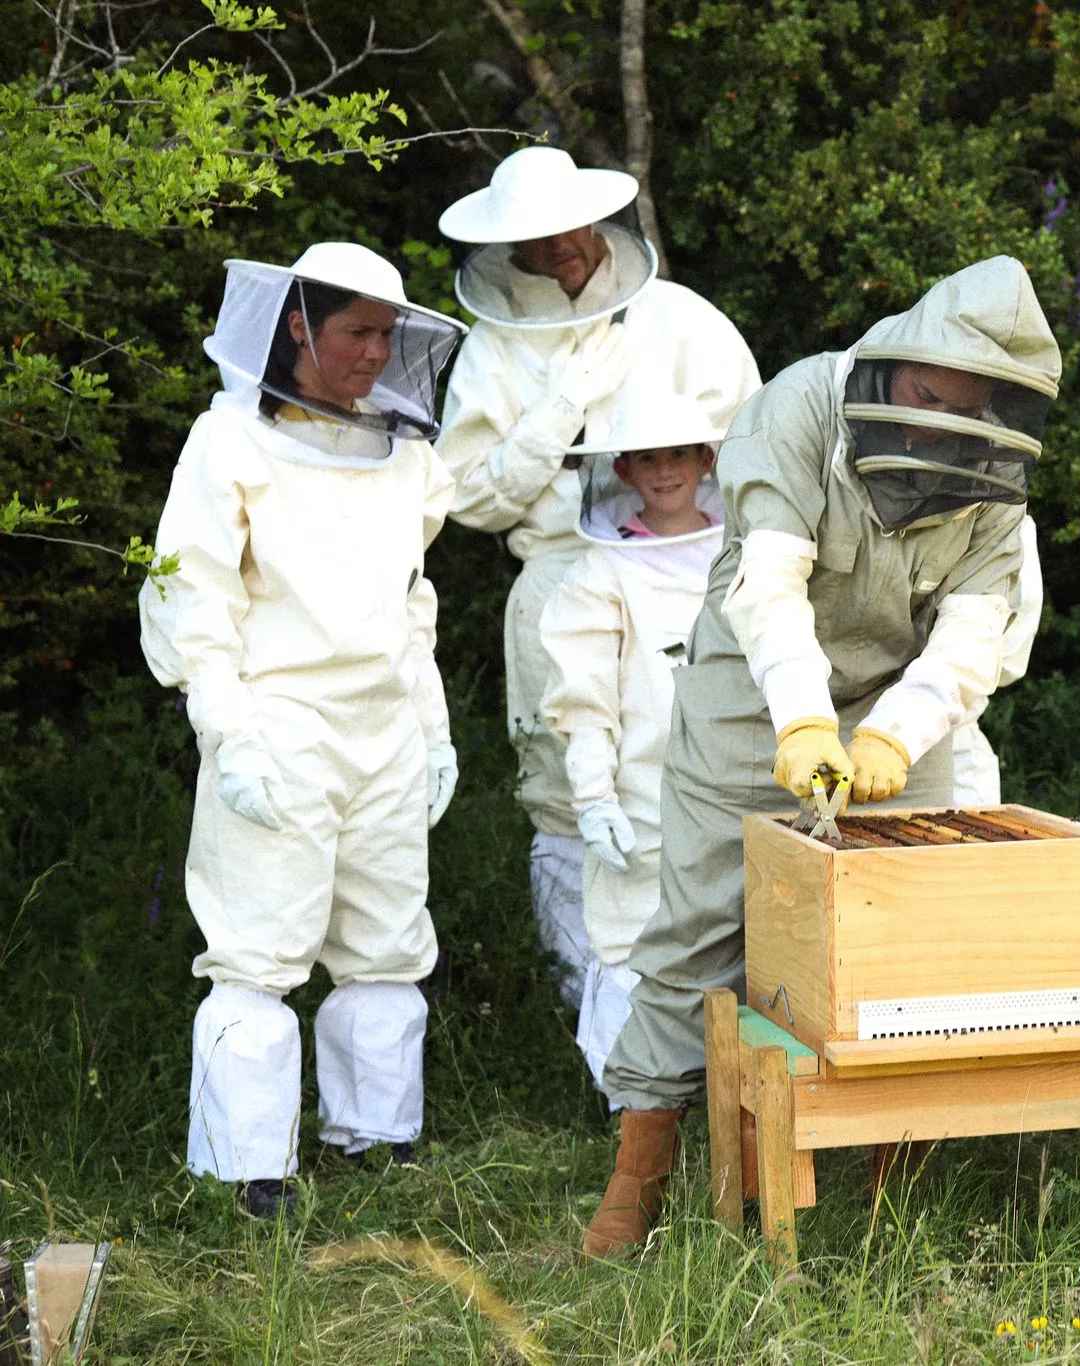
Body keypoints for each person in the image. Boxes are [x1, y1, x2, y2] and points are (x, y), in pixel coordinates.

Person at [580, 255, 1058, 1258]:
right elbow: (766, 584)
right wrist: (803, 723)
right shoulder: (799, 406)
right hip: (751, 692)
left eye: (961, 407)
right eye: (925, 397)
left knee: (908, 934)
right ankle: (637, 1180)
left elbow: (970, 640)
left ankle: (893, 1192)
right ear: (899, 360)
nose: (932, 425)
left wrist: (892, 734)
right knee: (701, 929)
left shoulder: (993, 485)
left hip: (897, 708)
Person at [140, 243, 466, 1217]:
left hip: (384, 727)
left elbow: (412, 604)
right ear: (296, 326)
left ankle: (375, 1136)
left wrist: (433, 724)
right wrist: (226, 732)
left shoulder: (406, 453)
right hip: (276, 720)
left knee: (385, 938)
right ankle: (249, 1168)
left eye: (386, 333)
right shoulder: (228, 442)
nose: (375, 352)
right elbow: (190, 598)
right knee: (258, 943)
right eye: (355, 330)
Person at [434, 146, 760, 1006]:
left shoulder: (682, 320)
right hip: (561, 580)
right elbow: (466, 496)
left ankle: (714, 1017)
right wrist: (556, 415)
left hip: (692, 573)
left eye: (564, 231)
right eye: (534, 241)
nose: (555, 251)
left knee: (713, 777)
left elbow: (754, 455)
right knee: (568, 791)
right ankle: (597, 1026)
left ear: (593, 218)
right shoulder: (494, 345)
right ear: (509, 249)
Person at [537, 390, 738, 1093]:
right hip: (641, 792)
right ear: (622, 470)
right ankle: (628, 1105)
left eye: (678, 454)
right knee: (630, 942)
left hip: (735, 789)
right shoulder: (601, 573)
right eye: (647, 457)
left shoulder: (741, 555)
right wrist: (592, 797)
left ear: (706, 459)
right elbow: (584, 700)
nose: (664, 471)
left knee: (729, 942)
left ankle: (715, 1099)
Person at [948, 514, 1042, 805]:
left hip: (955, 761)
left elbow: (1006, 660)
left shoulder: (1009, 525)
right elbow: (1007, 661)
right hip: (958, 759)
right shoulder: (1011, 524)